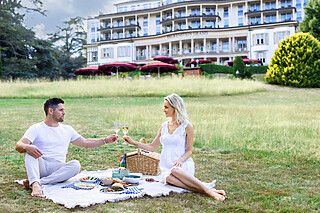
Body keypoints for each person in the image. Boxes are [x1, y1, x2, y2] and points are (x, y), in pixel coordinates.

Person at [123, 94, 227, 201]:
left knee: (176, 170)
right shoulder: (163, 126)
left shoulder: (187, 126)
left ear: (175, 108)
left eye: (166, 107)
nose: (164, 110)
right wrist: (133, 142)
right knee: (169, 178)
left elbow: (189, 151)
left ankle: (210, 192)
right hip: (166, 167)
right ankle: (208, 190)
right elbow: (152, 147)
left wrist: (180, 160)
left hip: (182, 165)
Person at [15, 97, 118, 197]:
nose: (64, 112)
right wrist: (26, 147)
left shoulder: (67, 129)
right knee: (28, 149)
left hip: (58, 168)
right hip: (40, 165)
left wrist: (105, 140)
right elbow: (19, 145)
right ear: (51, 111)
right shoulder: (36, 128)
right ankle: (35, 184)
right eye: (61, 110)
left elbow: (85, 142)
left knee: (75, 165)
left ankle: (37, 183)